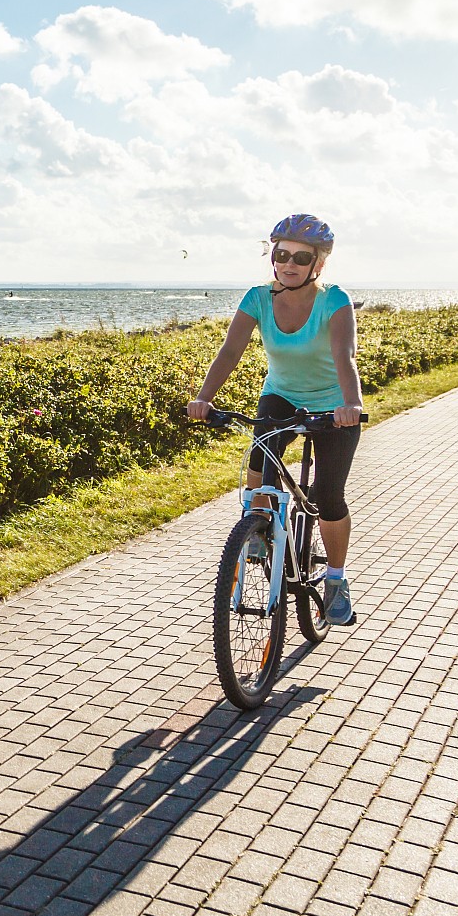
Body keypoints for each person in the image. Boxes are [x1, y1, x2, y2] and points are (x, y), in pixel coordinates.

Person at [186, 213, 365, 625]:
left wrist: (351, 404)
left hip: (334, 402)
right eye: (281, 253)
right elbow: (230, 353)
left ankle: (336, 579)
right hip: (280, 395)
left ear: (318, 264)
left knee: (328, 495)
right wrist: (203, 398)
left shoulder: (334, 300)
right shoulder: (257, 298)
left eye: (301, 257)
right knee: (260, 467)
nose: (289, 263)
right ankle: (259, 531)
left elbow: (345, 358)